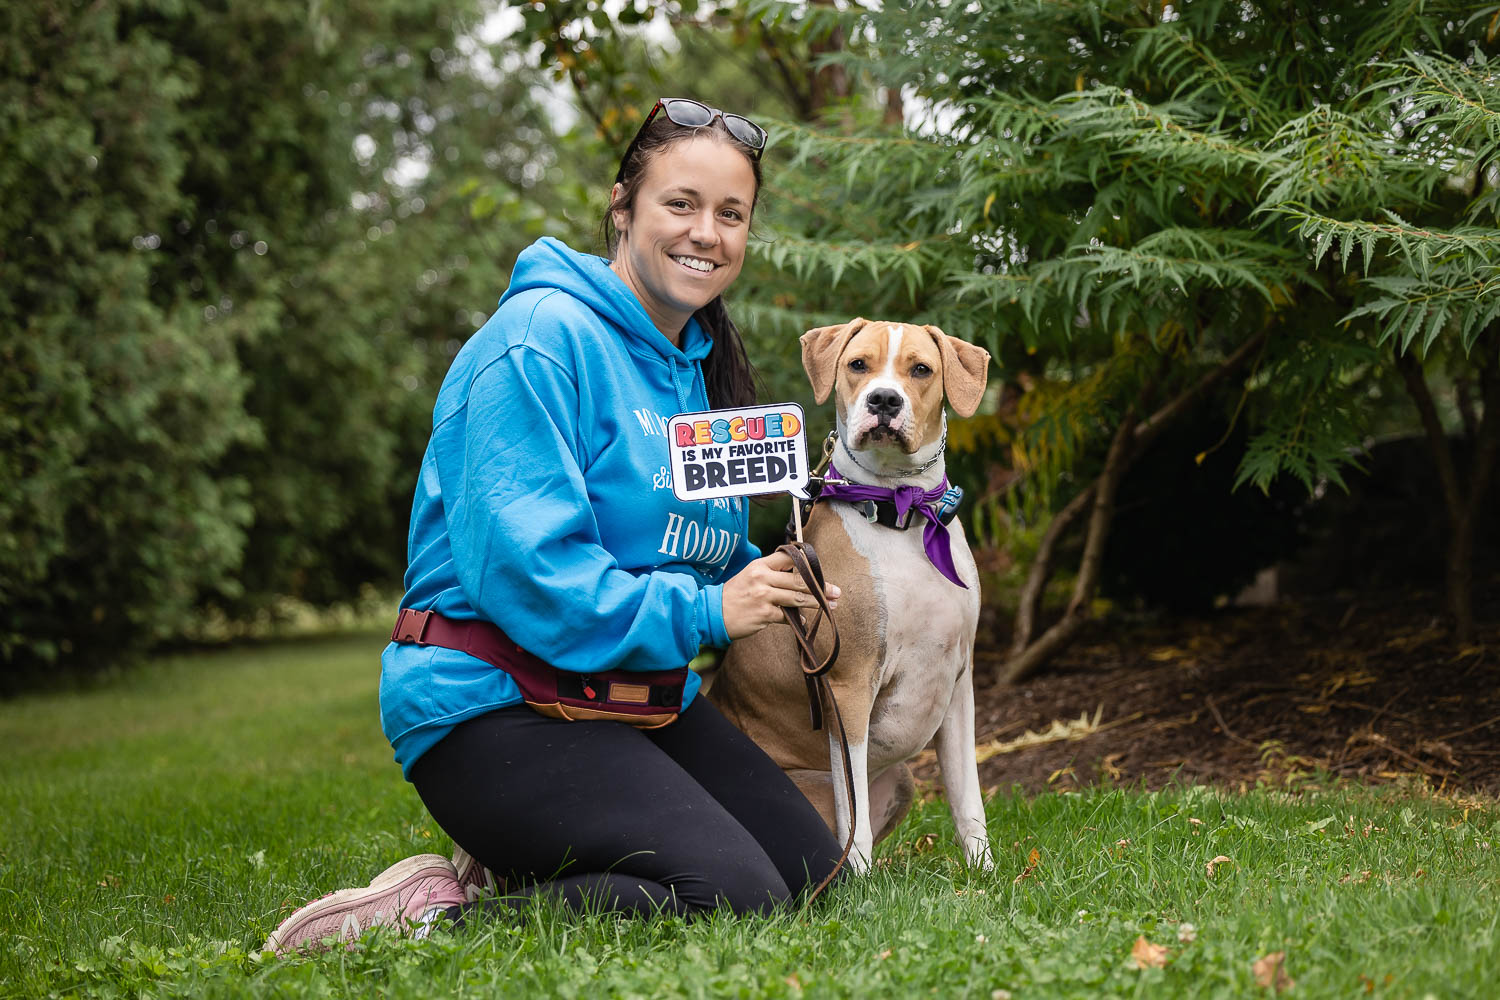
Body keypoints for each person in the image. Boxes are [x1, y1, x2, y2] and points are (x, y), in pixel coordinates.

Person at [263, 99, 844, 955]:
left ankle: (522, 860)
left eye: (731, 214)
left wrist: (774, 575)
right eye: (679, 204)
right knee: (736, 895)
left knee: (810, 871)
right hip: (498, 700)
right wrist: (709, 617)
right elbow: (534, 578)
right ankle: (424, 918)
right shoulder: (537, 342)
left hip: (628, 692)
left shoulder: (692, 366)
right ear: (622, 207)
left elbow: (686, 545)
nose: (706, 233)